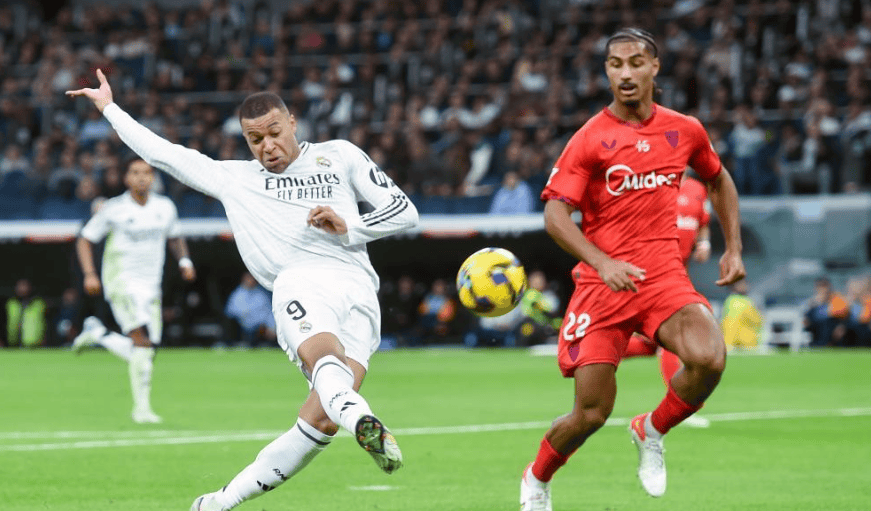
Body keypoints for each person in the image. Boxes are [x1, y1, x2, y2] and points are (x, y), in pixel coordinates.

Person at [67, 69, 419, 511]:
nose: (267, 145)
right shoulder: (235, 178)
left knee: (322, 420)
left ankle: (216, 503)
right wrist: (109, 108)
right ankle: (360, 418)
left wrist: (350, 225)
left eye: (274, 132)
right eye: (255, 139)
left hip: (359, 288)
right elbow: (163, 153)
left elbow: (404, 211)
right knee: (328, 368)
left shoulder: (340, 155)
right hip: (299, 281)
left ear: (292, 123)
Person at [519, 28, 746, 509]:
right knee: (591, 414)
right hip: (602, 287)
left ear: (654, 68)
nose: (625, 73)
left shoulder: (685, 130)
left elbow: (719, 179)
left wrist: (733, 248)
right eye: (615, 64)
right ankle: (537, 478)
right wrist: (602, 262)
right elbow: (555, 215)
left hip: (663, 278)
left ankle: (651, 430)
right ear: (606, 71)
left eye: (636, 62)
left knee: (709, 358)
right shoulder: (590, 138)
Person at [70, 158, 197, 424]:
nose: (142, 177)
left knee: (147, 350)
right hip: (122, 282)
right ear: (126, 178)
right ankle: (141, 410)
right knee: (141, 342)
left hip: (151, 285)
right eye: (135, 172)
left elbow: (174, 236)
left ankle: (99, 334)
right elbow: (85, 239)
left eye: (147, 173)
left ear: (153, 178)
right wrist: (90, 274)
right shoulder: (113, 208)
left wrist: (185, 261)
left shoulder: (165, 207)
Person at [621, 172, 713, 427]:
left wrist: (704, 244)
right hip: (654, 272)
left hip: (679, 272)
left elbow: (703, 223)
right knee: (674, 339)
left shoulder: (697, 189)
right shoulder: (652, 185)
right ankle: (681, 405)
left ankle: (593, 351)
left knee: (651, 346)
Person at [224, 271, 275, 347]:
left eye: (252, 278)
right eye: (248, 278)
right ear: (243, 279)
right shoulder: (237, 294)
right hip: (241, 327)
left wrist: (272, 327)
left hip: (260, 328)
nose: (250, 280)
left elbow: (269, 313)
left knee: (266, 330)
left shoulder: (262, 295)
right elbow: (230, 312)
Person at [516, 270, 561, 347]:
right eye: (535, 281)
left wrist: (539, 303)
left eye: (540, 281)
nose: (537, 284)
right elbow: (523, 312)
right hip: (531, 324)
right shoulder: (527, 295)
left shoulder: (549, 295)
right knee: (526, 329)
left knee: (559, 324)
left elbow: (552, 311)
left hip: (547, 324)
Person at [803, 277, 849, 347]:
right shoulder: (812, 303)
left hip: (832, 332)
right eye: (820, 286)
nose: (823, 290)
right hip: (816, 332)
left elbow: (843, 316)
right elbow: (807, 321)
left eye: (824, 286)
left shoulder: (836, 300)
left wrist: (841, 326)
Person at [720, 278, 764, 350]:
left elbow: (757, 321)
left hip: (746, 342)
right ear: (734, 286)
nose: (745, 286)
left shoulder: (734, 300)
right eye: (742, 284)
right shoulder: (737, 302)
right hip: (743, 344)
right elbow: (732, 324)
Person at [4, 278, 47, 348]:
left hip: (35, 344)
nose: (22, 288)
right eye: (20, 286)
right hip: (12, 344)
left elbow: (45, 322)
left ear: (30, 287)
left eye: (25, 285)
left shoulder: (39, 303)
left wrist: (45, 338)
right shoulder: (10, 303)